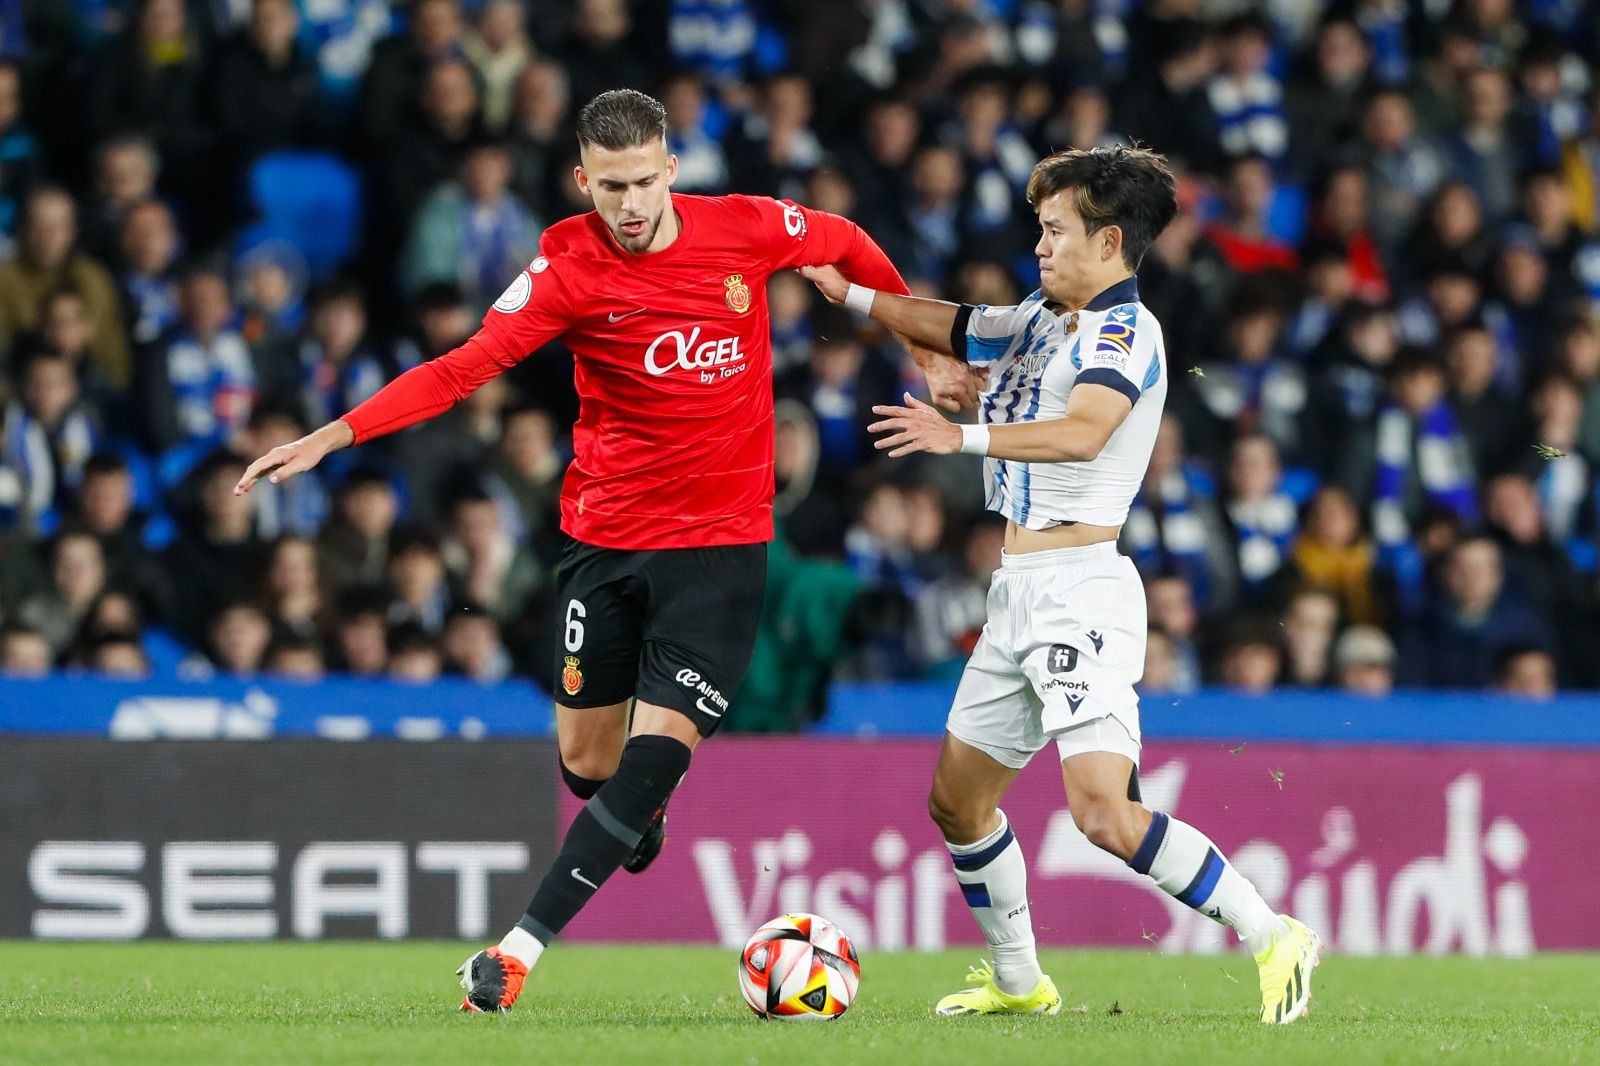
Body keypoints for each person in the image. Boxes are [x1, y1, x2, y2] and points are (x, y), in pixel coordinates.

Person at [233, 88, 955, 1013]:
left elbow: (843, 238)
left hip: (720, 547)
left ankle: (517, 951)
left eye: (645, 181)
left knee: (656, 755)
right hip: (603, 541)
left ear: (671, 169)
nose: (631, 203)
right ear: (584, 181)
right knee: (587, 765)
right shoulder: (566, 267)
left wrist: (917, 338)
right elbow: (462, 369)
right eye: (611, 186)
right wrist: (334, 435)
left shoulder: (741, 229)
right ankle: (626, 817)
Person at [802, 145, 1320, 1023]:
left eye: (1054, 231)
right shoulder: (1047, 315)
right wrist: (849, 291)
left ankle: (1275, 935)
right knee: (957, 803)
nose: (1038, 246)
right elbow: (961, 324)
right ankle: (1019, 982)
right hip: (1019, 592)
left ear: (1109, 239)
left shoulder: (1128, 333)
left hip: (1081, 592)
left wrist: (956, 440)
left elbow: (1083, 434)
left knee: (1105, 816)